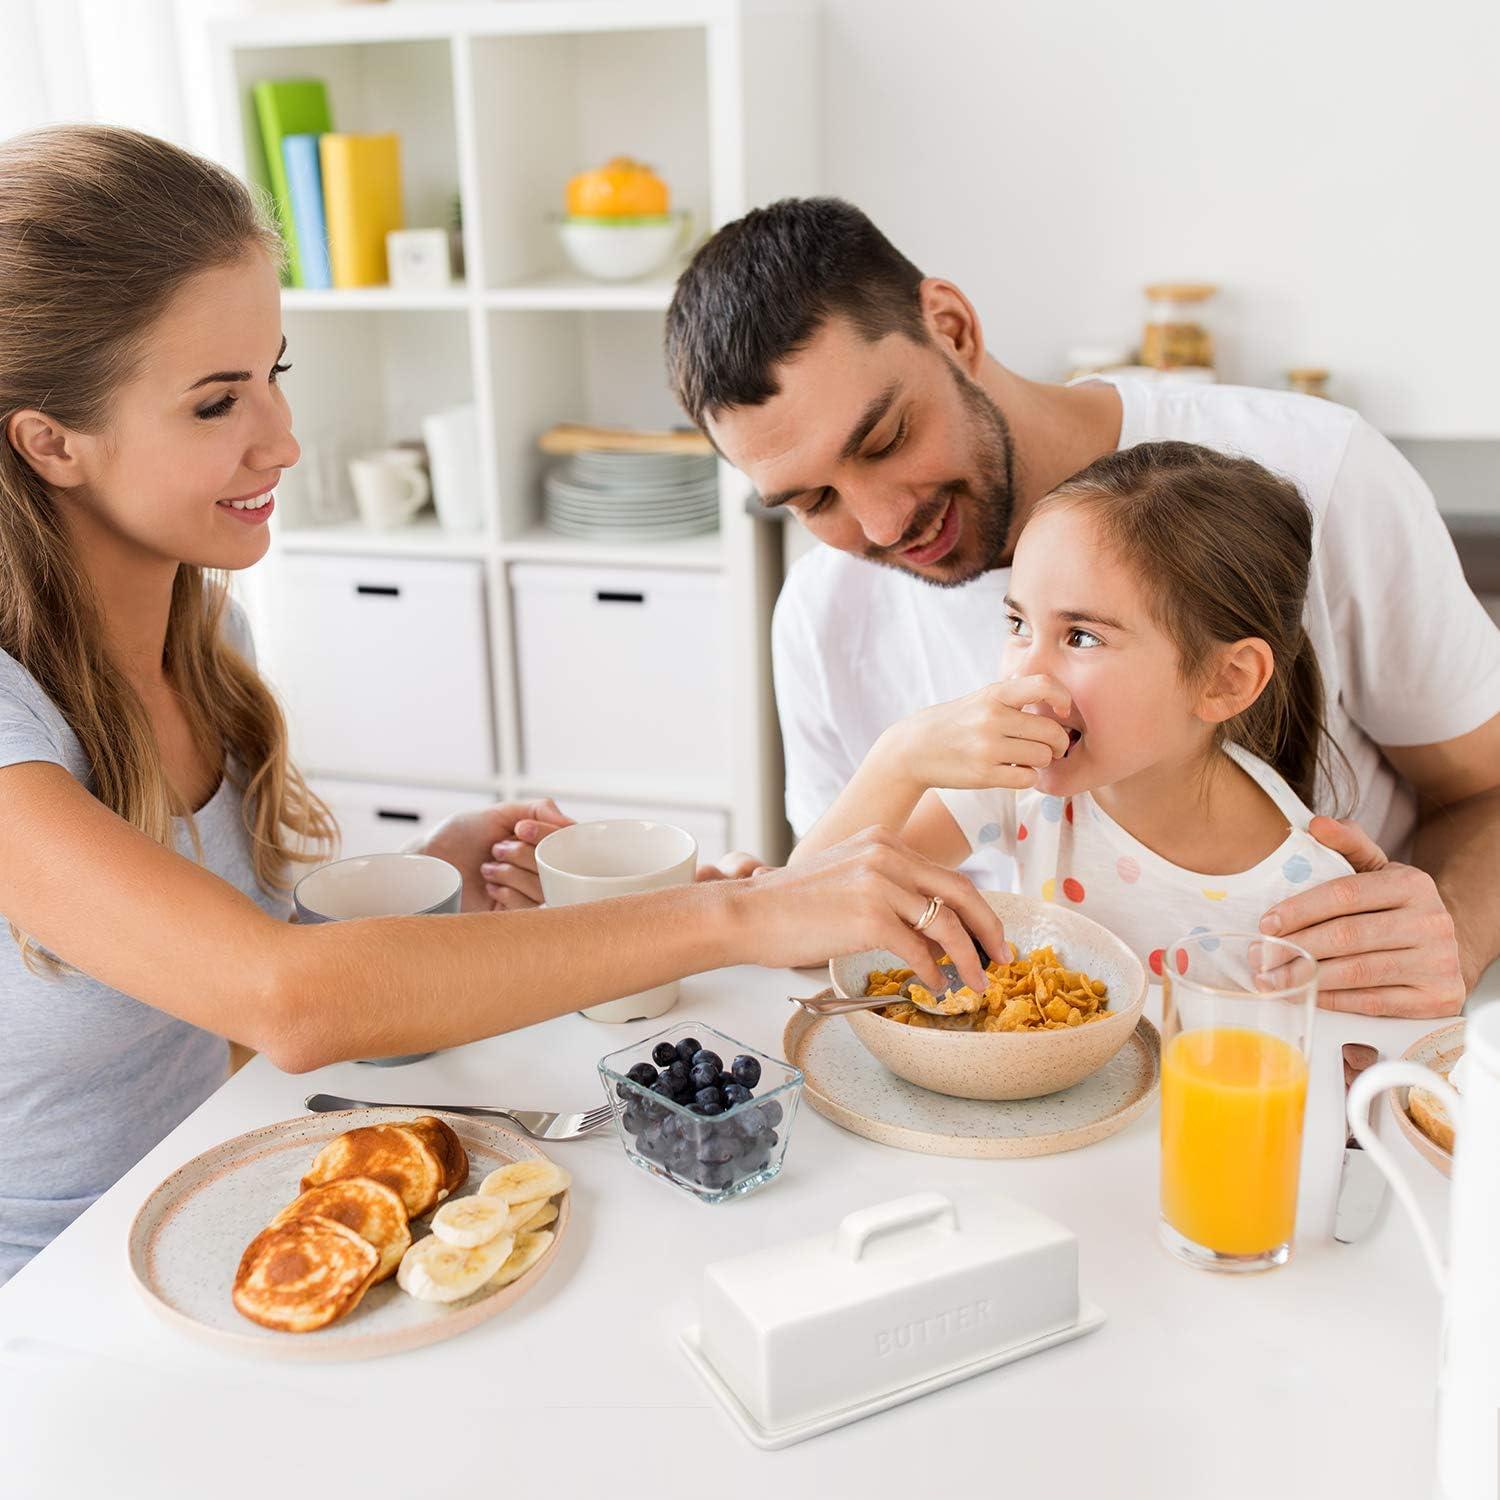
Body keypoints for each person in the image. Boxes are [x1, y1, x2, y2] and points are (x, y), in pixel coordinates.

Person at [0, 126, 1002, 1283]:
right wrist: (753, 912)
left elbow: (216, 975)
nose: (281, 438)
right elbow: (286, 1005)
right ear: (51, 443)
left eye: (274, 374)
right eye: (217, 403)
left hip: (202, 1223)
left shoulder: (205, 640)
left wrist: (440, 895)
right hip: (50, 1307)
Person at [655, 197, 1500, 1019]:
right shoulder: (818, 611)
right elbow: (829, 906)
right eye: (812, 501)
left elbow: (1488, 788)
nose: (880, 524)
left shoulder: (1324, 473)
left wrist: (1452, 935)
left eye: (885, 440)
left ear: (951, 328)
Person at [792, 440, 1357, 979]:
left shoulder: (1309, 897)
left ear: (1224, 680)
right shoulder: (1018, 787)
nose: (1023, 677)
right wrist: (899, 758)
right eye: (1018, 625)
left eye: (1082, 637)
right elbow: (803, 926)